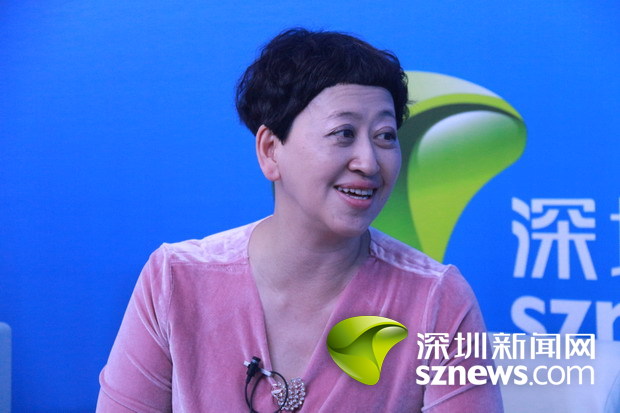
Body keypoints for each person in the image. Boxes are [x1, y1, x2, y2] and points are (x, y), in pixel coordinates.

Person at [96, 28, 503, 412]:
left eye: (385, 136)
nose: (368, 162)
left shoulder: (436, 299)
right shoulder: (175, 280)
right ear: (271, 150)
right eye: (344, 133)